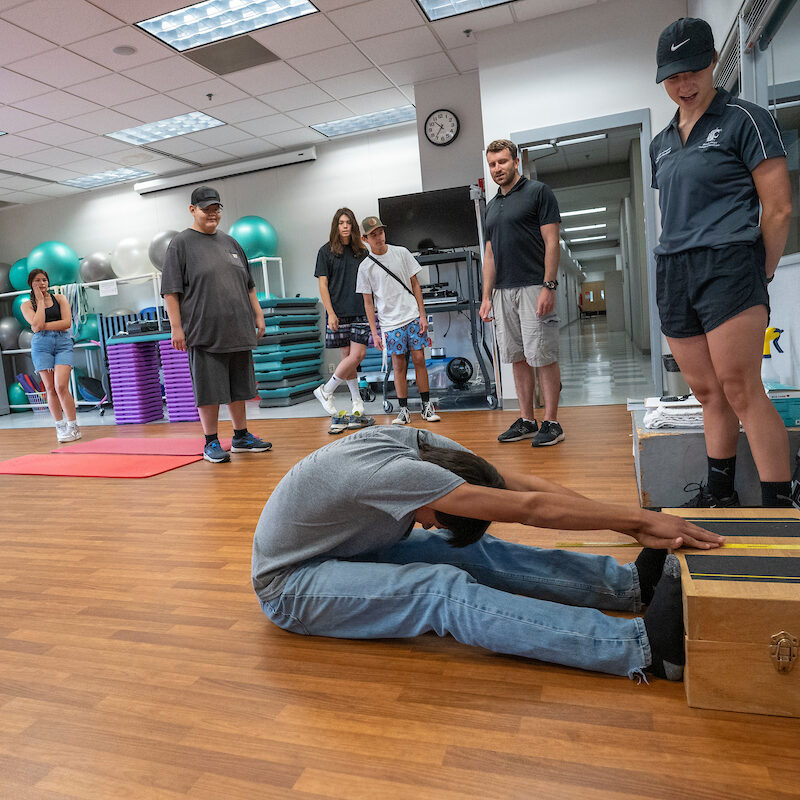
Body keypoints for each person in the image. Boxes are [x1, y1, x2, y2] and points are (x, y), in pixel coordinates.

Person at [252, 426, 725, 681]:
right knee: (438, 591)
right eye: (435, 514)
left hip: (346, 549)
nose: (425, 521)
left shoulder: (429, 446)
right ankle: (643, 649)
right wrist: (638, 520)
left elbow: (522, 488)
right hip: (291, 584)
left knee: (465, 549)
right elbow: (530, 510)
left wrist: (630, 521)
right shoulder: (405, 474)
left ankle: (626, 586)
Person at [651, 18, 793, 507]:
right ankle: (719, 495)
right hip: (674, 269)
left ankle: (778, 506)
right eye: (672, 76)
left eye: (692, 70)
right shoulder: (661, 142)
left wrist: (762, 271)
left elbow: (777, 208)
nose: (683, 84)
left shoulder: (744, 118)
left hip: (730, 263)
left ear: (713, 62)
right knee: (707, 392)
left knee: (741, 388)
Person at [161, 185, 271, 464]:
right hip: (203, 331)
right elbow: (170, 291)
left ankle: (241, 436)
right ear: (192, 210)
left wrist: (258, 314)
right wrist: (176, 327)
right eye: (206, 209)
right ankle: (210, 442)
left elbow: (248, 285)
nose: (212, 214)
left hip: (237, 327)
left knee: (239, 387)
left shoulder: (231, 243)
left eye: (216, 209)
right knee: (209, 389)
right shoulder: (181, 244)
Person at [480, 139, 565, 447]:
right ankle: (527, 419)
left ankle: (552, 422)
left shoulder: (538, 193)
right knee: (517, 357)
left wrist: (549, 285)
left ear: (515, 161)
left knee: (542, 355)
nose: (497, 169)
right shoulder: (491, 207)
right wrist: (486, 296)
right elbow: (489, 254)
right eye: (492, 164)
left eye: (502, 162)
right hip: (502, 291)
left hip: (533, 286)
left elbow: (551, 242)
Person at [356, 215, 440, 425]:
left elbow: (415, 285)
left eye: (381, 232)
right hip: (390, 322)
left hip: (411, 315)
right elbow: (368, 303)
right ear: (365, 238)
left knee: (420, 359)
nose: (378, 237)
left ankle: (426, 405)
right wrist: (374, 333)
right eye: (373, 235)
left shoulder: (401, 253)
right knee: (398, 364)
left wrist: (422, 315)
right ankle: (403, 410)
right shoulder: (365, 267)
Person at [312, 208, 374, 433]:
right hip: (337, 312)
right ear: (336, 226)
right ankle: (357, 401)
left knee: (358, 356)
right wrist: (330, 313)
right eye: (341, 222)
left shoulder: (362, 252)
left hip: (359, 310)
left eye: (348, 222)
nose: (345, 226)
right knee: (348, 358)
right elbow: (322, 285)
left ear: (354, 226)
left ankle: (326, 390)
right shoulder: (325, 251)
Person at [21, 269, 81, 443]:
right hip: (41, 346)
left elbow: (67, 323)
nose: (42, 283)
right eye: (37, 281)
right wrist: (40, 302)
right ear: (31, 284)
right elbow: (36, 325)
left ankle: (73, 427)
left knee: (61, 386)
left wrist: (41, 326)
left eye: (45, 280)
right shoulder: (26, 305)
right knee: (50, 388)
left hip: (63, 343)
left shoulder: (60, 298)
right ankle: (60, 427)